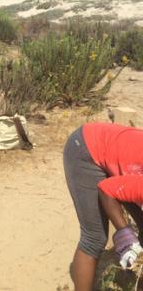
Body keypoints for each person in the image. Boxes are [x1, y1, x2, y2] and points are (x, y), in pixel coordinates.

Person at [64, 122, 143, 291]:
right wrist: (125, 235)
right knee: (94, 238)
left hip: (120, 155)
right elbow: (107, 190)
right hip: (86, 149)